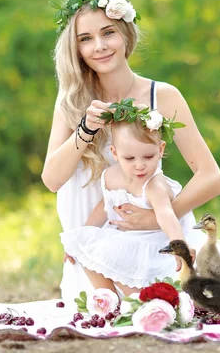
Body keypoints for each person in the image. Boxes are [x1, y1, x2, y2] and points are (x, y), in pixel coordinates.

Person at [41, 0, 220, 321]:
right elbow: (51, 179)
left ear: (127, 35)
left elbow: (211, 177)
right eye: (86, 38)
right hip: (102, 255)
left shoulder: (162, 96)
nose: (100, 46)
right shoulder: (72, 102)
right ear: (74, 48)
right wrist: (86, 130)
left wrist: (157, 215)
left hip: (165, 236)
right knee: (160, 313)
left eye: (108, 33)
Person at [60, 108, 193, 296]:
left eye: (148, 157)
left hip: (153, 242)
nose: (139, 165)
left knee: (137, 285)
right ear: (114, 153)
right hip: (124, 237)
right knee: (84, 246)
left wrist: (179, 245)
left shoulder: (155, 185)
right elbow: (105, 207)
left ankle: (134, 300)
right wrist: (83, 234)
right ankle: (106, 297)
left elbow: (166, 214)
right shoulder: (111, 176)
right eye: (129, 158)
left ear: (161, 149)